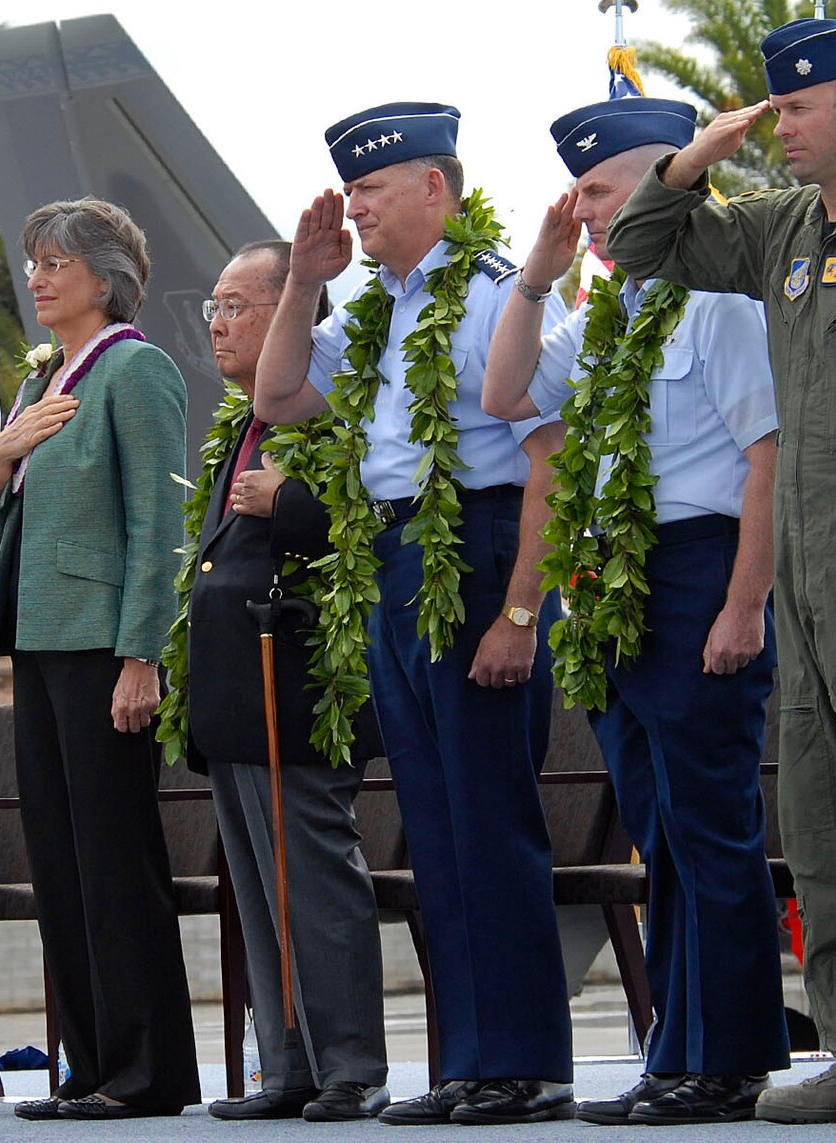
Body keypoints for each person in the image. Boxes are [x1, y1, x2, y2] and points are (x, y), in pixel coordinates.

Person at [605, 15, 836, 1123]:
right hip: (803, 566)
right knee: (818, 811)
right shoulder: (777, 228)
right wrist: (690, 162)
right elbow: (638, 247)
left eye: (798, 111)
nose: (782, 132)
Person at [255, 102, 573, 1126]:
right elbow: (279, 396)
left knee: (488, 823)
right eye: (349, 191)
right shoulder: (377, 309)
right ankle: (468, 1061)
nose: (356, 208)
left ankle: (522, 1064)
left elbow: (547, 461)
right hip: (396, 555)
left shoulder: (490, 296)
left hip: (474, 554)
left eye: (371, 191)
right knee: (433, 828)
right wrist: (304, 278)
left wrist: (519, 612)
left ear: (434, 189)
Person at [483, 97, 788, 1126]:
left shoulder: (722, 299)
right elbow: (506, 392)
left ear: (669, 179)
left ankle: (730, 1054)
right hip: (617, 580)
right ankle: (675, 1047)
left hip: (699, 569)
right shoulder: (604, 307)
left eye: (601, 191)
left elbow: (765, 462)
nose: (587, 212)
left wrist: (744, 603)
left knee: (710, 826)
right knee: (657, 830)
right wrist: (534, 271)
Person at [0, 197, 198, 1121]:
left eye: (56, 261)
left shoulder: (134, 369)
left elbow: (160, 524)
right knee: (59, 864)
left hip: (106, 647)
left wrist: (142, 654)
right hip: (37, 640)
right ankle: (93, 1063)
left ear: (105, 277)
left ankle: (146, 1071)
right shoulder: (38, 382)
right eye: (33, 262)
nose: (38, 277)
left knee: (114, 862)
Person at [183, 240, 390, 1123]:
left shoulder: (331, 399)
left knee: (311, 873)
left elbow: (376, 517)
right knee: (259, 888)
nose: (220, 324)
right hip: (236, 682)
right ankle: (287, 1063)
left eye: (236, 305)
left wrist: (290, 503)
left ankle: (349, 1063)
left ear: (290, 312)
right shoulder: (243, 420)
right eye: (215, 309)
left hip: (299, 678)